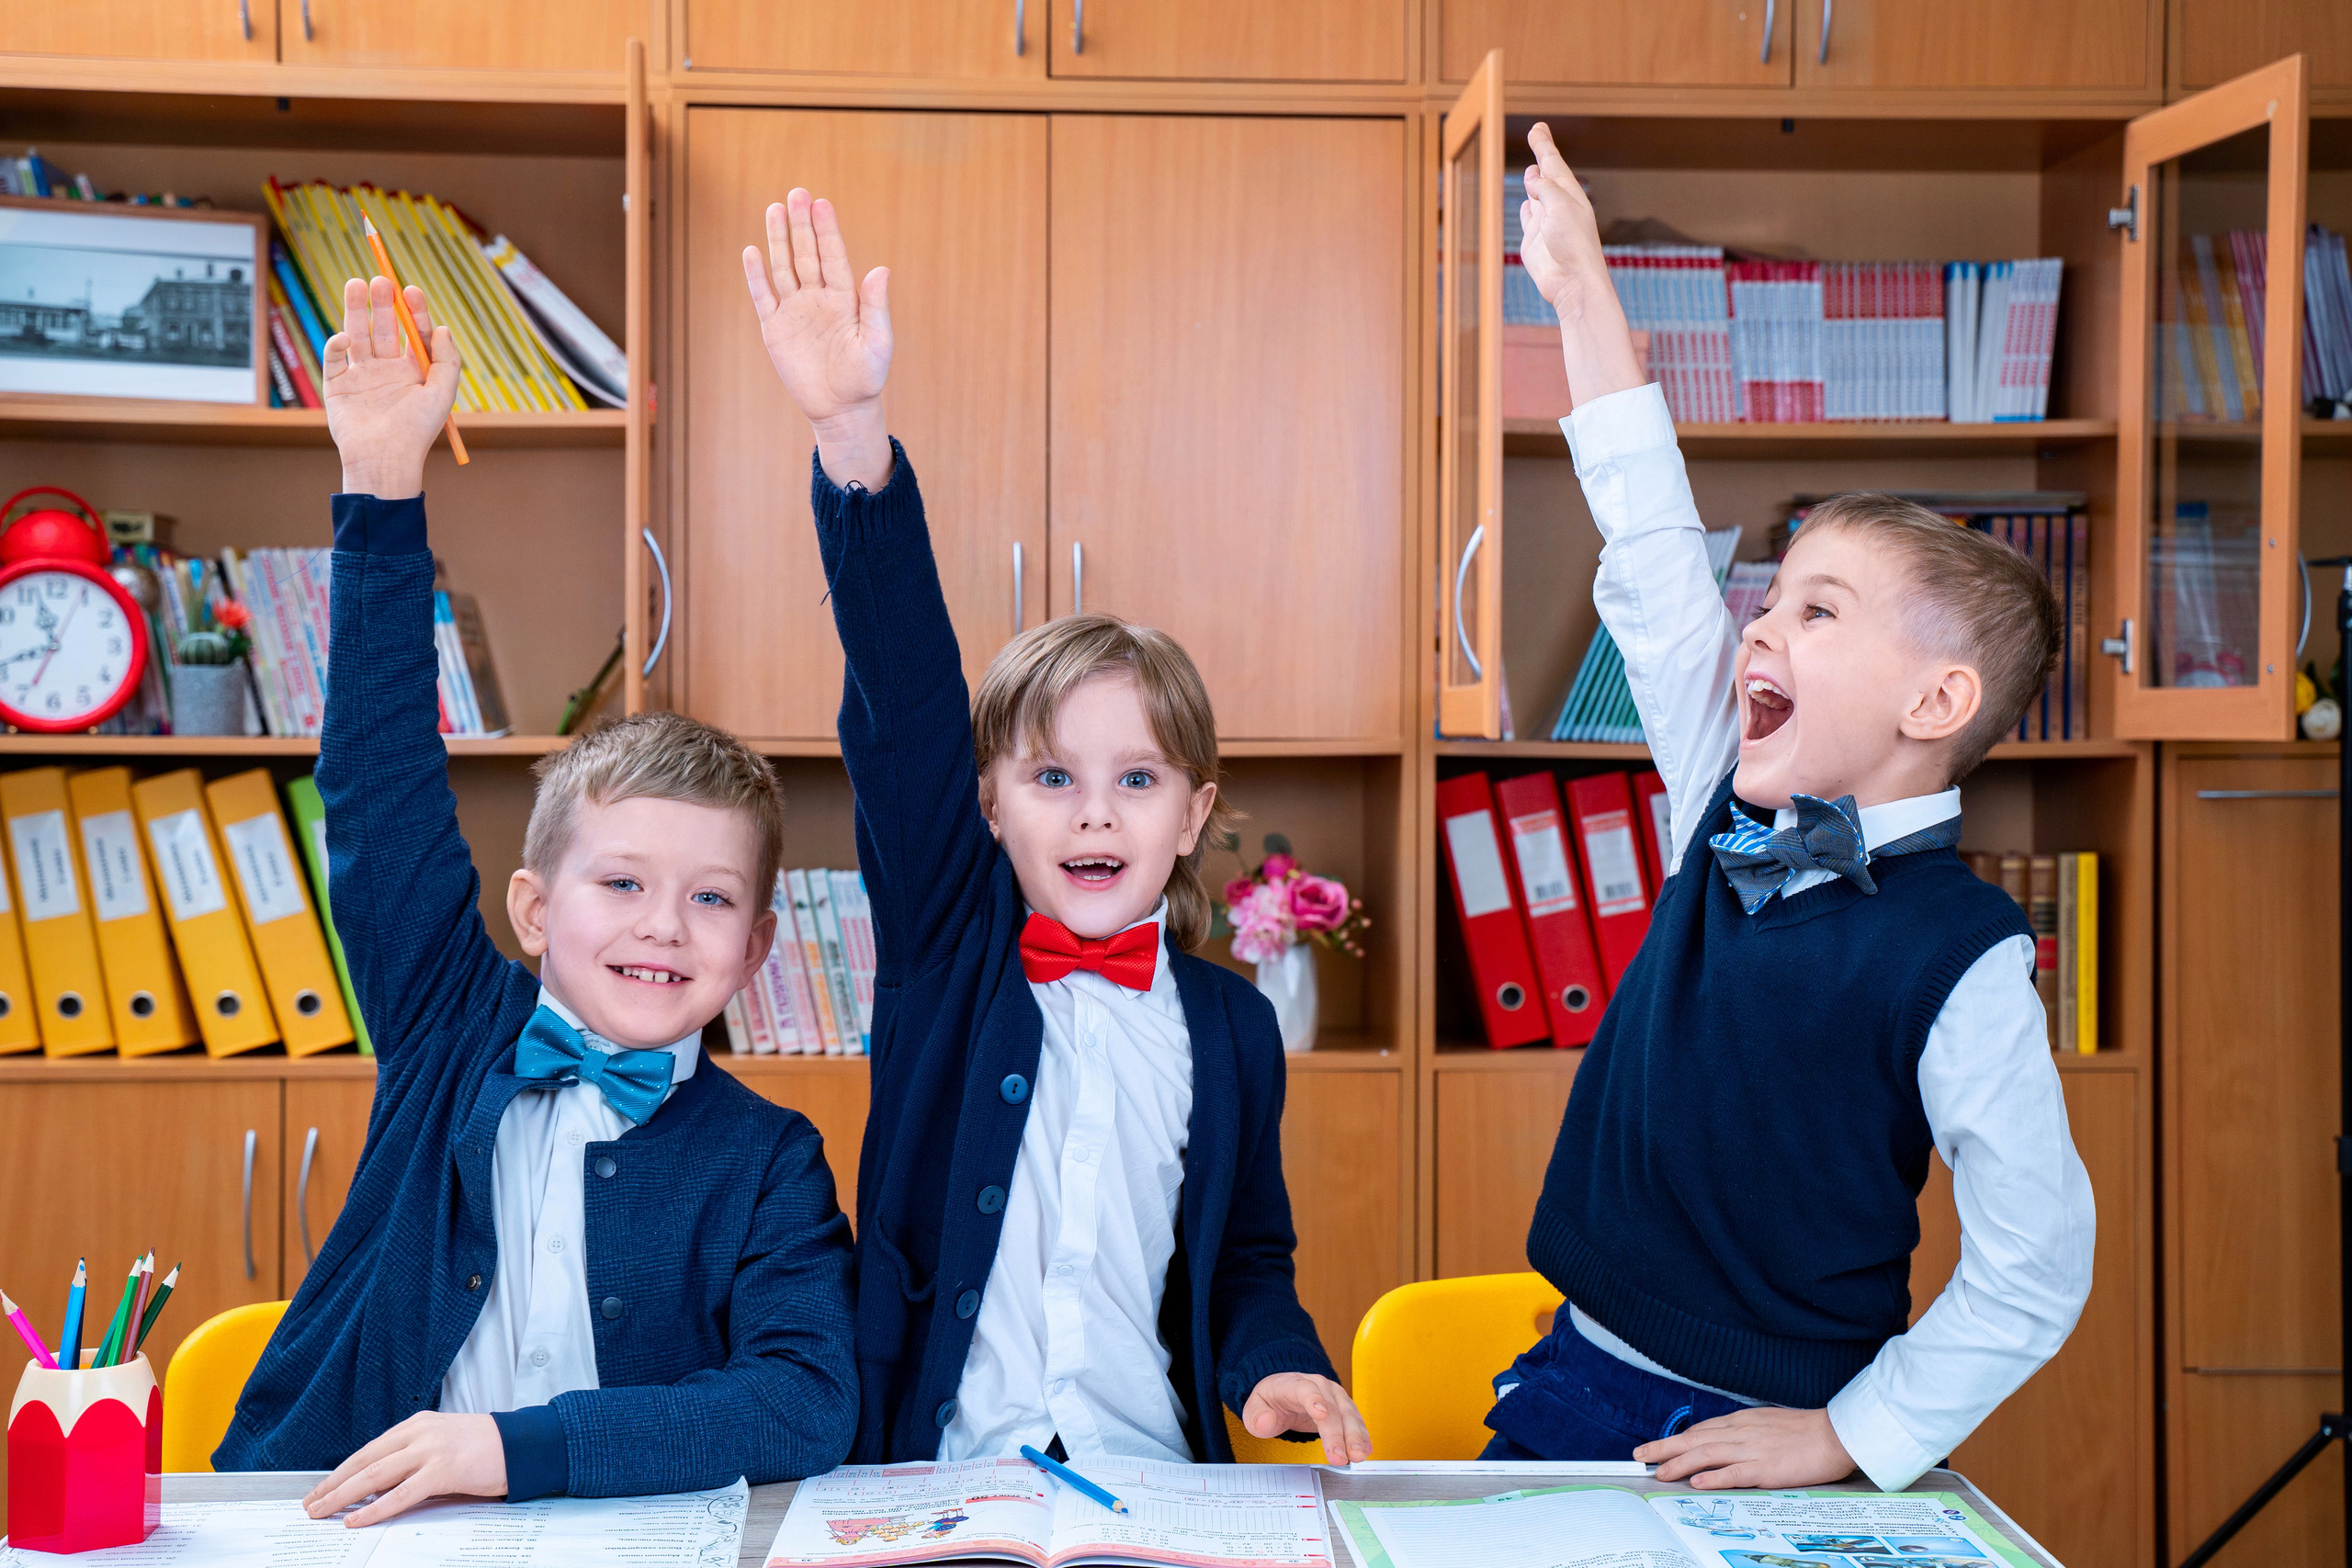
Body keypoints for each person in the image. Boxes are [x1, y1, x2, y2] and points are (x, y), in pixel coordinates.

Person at [1487, 123, 2096, 1492]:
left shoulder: (1965, 959)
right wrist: (1581, 292)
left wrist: (1847, 1437)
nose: (1757, 626)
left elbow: (2038, 1263)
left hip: (1776, 1440)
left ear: (1934, 705)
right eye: (1771, 593)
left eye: (1817, 610)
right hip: (1574, 1378)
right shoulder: (1724, 796)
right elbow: (1649, 544)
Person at [740, 188, 1373, 1467]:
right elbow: (906, 694)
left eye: (1138, 782)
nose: (1093, 810)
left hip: (1153, 1489)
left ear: (1196, 813)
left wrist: (1279, 1367)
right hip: (936, 1486)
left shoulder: (1235, 1031)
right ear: (985, 807)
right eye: (1050, 780)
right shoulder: (945, 951)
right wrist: (851, 433)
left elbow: (1248, 1256)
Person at [212, 274, 857, 1525]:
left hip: (615, 1535)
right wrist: (382, 481)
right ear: (530, 910)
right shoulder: (451, 1022)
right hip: (350, 1529)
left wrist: (515, 1449)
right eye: (620, 882)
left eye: (712, 899)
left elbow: (801, 1402)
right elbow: (380, 788)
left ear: (762, 945)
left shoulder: (771, 1160)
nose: (663, 924)